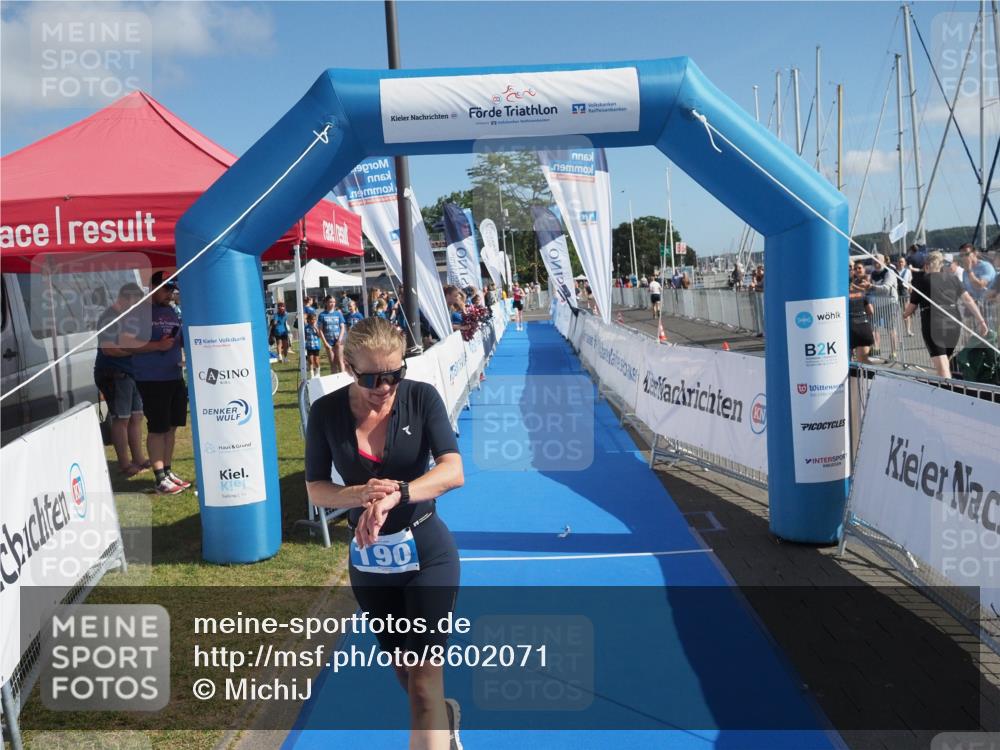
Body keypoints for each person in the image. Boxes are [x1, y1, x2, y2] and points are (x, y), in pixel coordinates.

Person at [305, 317, 465, 750]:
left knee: (422, 683)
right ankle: (443, 718)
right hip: (372, 564)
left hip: (428, 553)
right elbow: (316, 489)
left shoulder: (421, 398)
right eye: (372, 377)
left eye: (395, 373)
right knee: (405, 674)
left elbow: (453, 471)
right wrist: (357, 494)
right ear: (348, 368)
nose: (384, 386)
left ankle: (438, 728)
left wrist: (402, 493)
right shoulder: (326, 412)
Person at [94, 282, 165, 477]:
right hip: (114, 373)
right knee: (121, 419)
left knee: (136, 417)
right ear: (124, 299)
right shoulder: (109, 317)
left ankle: (139, 459)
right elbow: (108, 349)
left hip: (130, 373)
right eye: (134, 303)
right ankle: (124, 464)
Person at [132, 271, 191, 495]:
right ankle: (159, 478)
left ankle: (167, 471)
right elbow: (128, 345)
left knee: (171, 426)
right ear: (153, 287)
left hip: (174, 375)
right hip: (151, 378)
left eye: (172, 289)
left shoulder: (171, 311)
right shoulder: (139, 313)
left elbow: (179, 339)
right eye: (166, 288)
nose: (170, 293)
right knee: (157, 427)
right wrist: (157, 346)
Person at [903, 250, 989, 379]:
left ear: (926, 266)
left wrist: (904, 314)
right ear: (941, 266)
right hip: (953, 324)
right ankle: (949, 386)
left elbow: (910, 309)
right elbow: (968, 300)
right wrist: (981, 321)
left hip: (934, 324)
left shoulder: (921, 281)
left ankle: (948, 393)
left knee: (943, 367)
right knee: (945, 362)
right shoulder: (953, 279)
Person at [868, 254, 898, 360]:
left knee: (891, 328)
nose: (876, 264)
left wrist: (871, 287)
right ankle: (876, 348)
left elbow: (886, 288)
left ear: (884, 261)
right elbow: (869, 288)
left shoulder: (889, 272)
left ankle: (893, 352)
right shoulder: (872, 274)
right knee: (873, 327)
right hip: (877, 303)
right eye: (874, 262)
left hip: (890, 303)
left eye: (878, 261)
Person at [848, 262, 875, 364]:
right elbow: (871, 311)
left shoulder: (841, 295)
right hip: (863, 328)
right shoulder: (861, 293)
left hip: (848, 329)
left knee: (847, 362)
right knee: (863, 361)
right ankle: (871, 379)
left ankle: (852, 380)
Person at [318, 296, 347, 374]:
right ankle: (335, 382)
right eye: (330, 302)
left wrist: (339, 340)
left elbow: (342, 327)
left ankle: (343, 382)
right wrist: (325, 343)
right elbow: (320, 330)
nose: (332, 304)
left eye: (334, 302)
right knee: (333, 363)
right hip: (329, 342)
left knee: (341, 361)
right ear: (326, 303)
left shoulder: (338, 314)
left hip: (339, 341)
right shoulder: (322, 315)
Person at [895, 255, 914, 336]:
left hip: (905, 291)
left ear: (905, 263)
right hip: (896, 291)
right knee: (894, 312)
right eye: (899, 262)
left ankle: (908, 330)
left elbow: (909, 282)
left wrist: (911, 290)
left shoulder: (908, 271)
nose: (900, 263)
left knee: (906, 311)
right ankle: (896, 330)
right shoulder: (894, 271)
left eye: (902, 262)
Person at [303, 312, 324, 378]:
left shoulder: (317, 326)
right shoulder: (306, 327)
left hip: (316, 346)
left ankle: (317, 373)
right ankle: (312, 374)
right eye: (312, 319)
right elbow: (305, 336)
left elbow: (319, 335)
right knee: (310, 360)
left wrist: (316, 328)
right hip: (309, 346)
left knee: (316, 360)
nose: (313, 321)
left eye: (315, 319)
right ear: (308, 320)